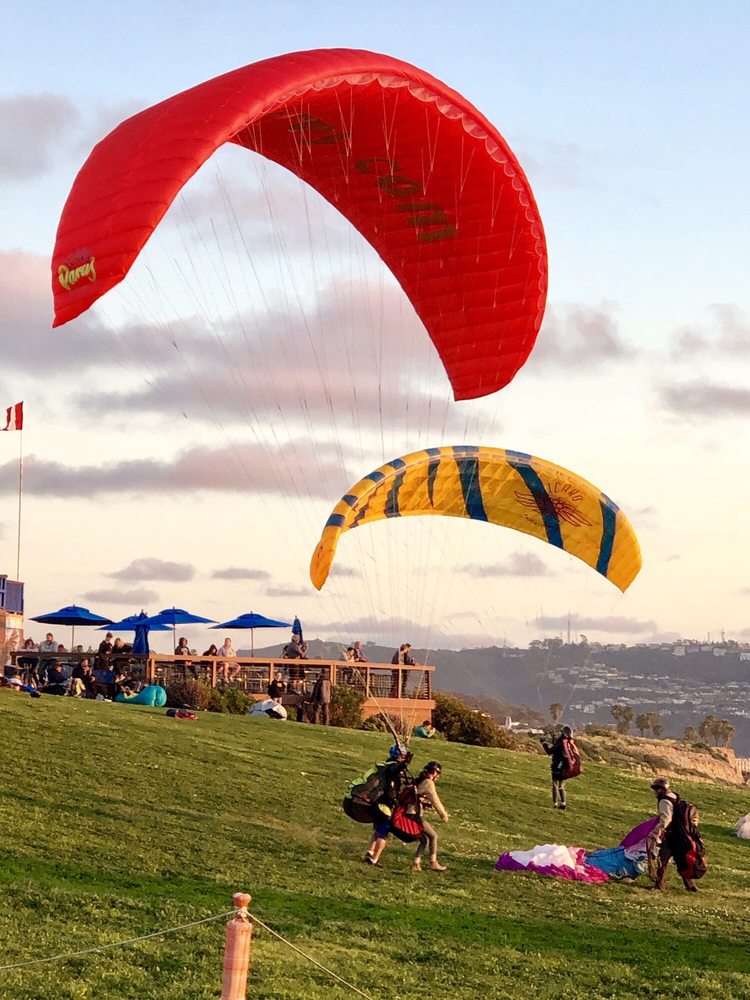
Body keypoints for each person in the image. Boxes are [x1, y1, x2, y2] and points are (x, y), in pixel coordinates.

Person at [647, 777, 700, 892]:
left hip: (672, 835)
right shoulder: (674, 796)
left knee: (663, 860)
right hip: (682, 835)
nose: (654, 792)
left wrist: (656, 831)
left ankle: (659, 886)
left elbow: (666, 819)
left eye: (655, 790)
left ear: (660, 789)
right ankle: (691, 887)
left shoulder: (664, 800)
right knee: (681, 860)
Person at [365, 744, 413, 866]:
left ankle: (370, 851)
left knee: (377, 830)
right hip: (385, 805)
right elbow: (395, 770)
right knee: (383, 833)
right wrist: (404, 763)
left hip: (378, 802)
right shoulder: (393, 767)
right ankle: (374, 859)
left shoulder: (387, 765)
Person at [411, 761, 449, 872]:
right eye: (438, 773)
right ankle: (433, 862)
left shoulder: (419, 780)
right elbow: (435, 799)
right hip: (414, 814)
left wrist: (423, 804)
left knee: (424, 840)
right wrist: (443, 815)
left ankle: (416, 864)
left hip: (408, 812)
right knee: (433, 836)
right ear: (434, 772)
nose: (438, 776)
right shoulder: (428, 782)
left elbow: (416, 796)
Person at [541, 725, 580, 810]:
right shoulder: (568, 743)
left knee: (554, 783)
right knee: (561, 785)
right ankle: (563, 803)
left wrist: (544, 743)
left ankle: (555, 804)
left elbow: (549, 751)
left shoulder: (561, 742)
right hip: (566, 766)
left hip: (558, 765)